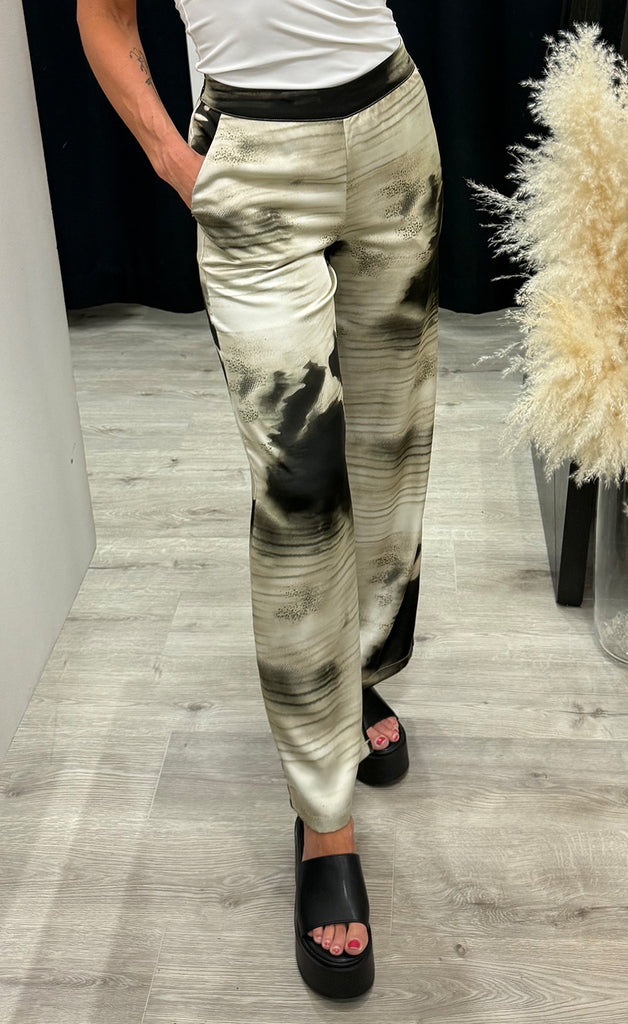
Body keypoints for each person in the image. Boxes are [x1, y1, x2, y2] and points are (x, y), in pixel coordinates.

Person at [76, 0, 442, 999]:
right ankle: (324, 818)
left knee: (389, 447)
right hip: (252, 151)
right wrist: (171, 157)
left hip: (390, 127)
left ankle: (356, 670)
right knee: (297, 492)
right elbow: (102, 15)